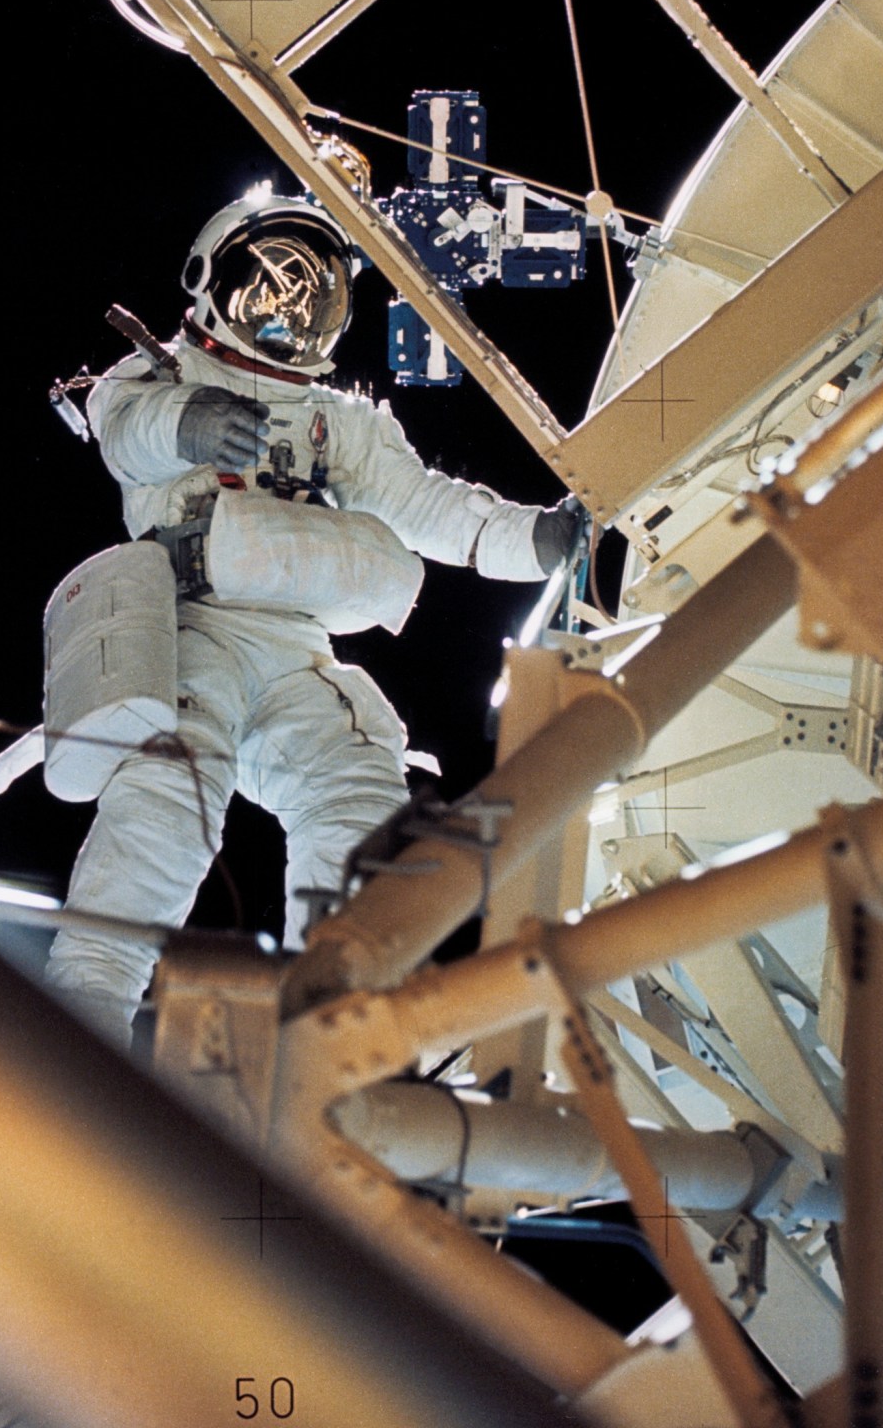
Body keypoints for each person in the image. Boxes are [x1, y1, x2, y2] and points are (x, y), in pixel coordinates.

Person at [44, 192, 583, 1043]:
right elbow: (126, 435)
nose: (292, 308)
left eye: (313, 292)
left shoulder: (341, 424)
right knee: (169, 797)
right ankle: (83, 1011)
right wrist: (190, 423)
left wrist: (537, 541)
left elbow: (430, 507)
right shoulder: (158, 378)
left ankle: (324, 1029)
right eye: (272, 284)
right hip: (195, 631)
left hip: (297, 653)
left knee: (360, 796)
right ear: (213, 279)